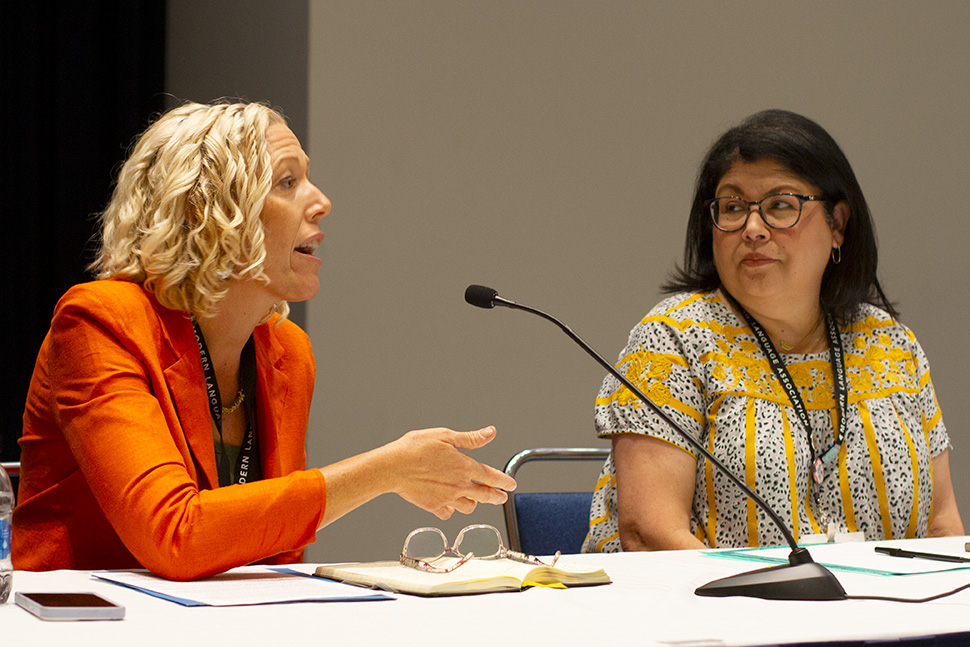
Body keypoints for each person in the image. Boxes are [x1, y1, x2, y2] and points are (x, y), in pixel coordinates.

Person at [13, 101, 517, 580]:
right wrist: (385, 470)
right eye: (287, 181)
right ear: (208, 212)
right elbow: (175, 535)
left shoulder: (286, 352)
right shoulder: (101, 322)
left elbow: (273, 550)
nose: (321, 202)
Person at [583, 109, 963, 552]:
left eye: (780, 206)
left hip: (885, 615)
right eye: (732, 208)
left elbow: (943, 526)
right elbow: (651, 535)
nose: (753, 229)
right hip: (714, 614)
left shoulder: (890, 344)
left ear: (837, 224)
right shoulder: (673, 339)